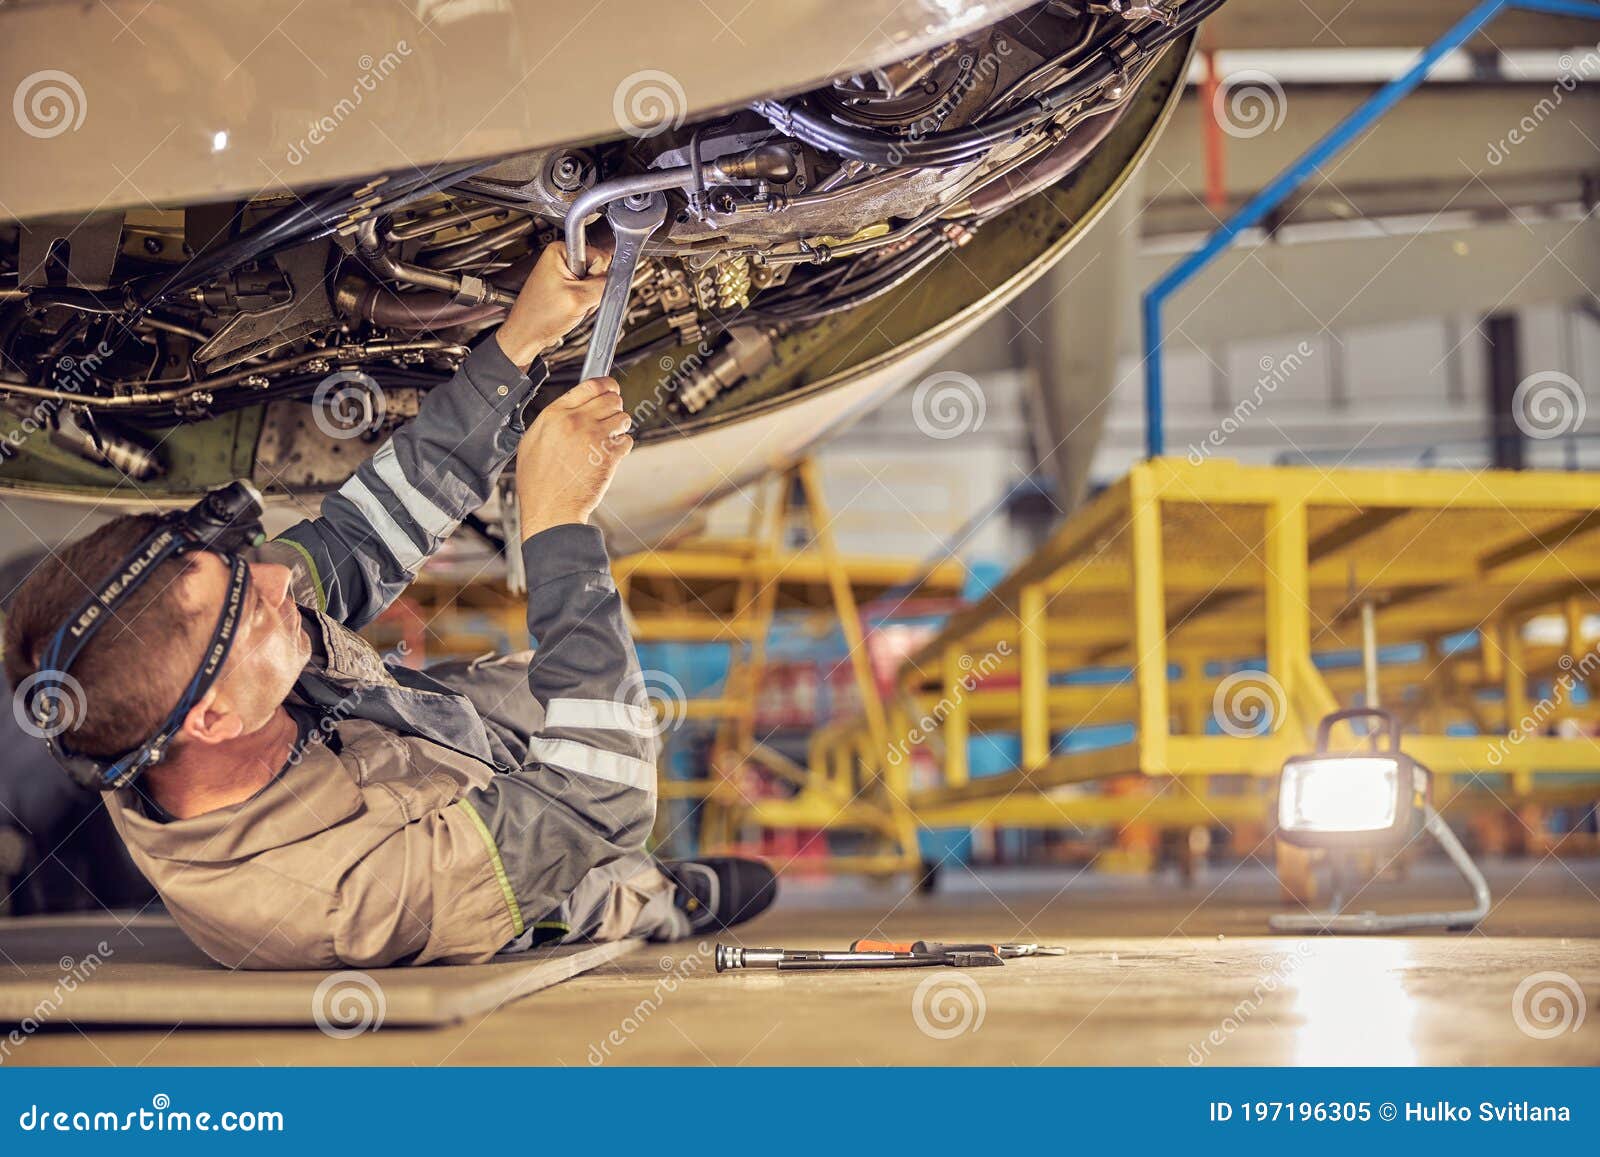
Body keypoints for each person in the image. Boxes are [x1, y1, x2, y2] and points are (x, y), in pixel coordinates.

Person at [2, 240, 774, 968]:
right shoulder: (345, 896)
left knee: (539, 689)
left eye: (243, 570)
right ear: (210, 720)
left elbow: (366, 530)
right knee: (594, 874)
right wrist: (557, 527)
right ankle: (662, 898)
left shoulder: (193, 666)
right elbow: (601, 794)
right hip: (515, 871)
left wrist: (515, 346)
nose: (278, 583)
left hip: (448, 742)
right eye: (255, 611)